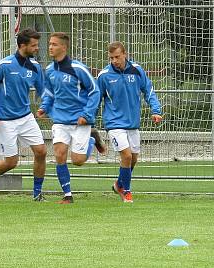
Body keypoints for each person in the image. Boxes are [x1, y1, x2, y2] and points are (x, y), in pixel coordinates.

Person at [36, 31, 104, 204]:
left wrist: (87, 114)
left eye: (54, 44)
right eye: (50, 44)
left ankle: (91, 138)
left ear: (64, 47)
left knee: (78, 161)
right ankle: (67, 195)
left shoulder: (78, 69)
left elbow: (95, 91)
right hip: (60, 120)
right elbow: (50, 92)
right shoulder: (50, 70)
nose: (50, 47)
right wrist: (44, 107)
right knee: (59, 154)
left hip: (79, 121)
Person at [0, 28, 48, 201]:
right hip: (5, 121)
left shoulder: (35, 67)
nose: (36, 48)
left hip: (26, 117)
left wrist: (47, 106)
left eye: (37, 45)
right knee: (12, 162)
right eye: (33, 45)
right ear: (22, 45)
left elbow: (44, 91)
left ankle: (37, 193)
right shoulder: (4, 65)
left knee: (41, 151)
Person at [96, 41, 163, 203]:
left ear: (125, 54)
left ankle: (119, 184)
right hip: (114, 123)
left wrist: (156, 110)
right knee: (126, 156)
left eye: (117, 57)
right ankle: (126, 191)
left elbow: (149, 90)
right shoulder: (104, 75)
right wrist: (89, 120)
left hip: (132, 123)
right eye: (111, 57)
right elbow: (95, 99)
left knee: (133, 159)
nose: (114, 61)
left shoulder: (137, 70)